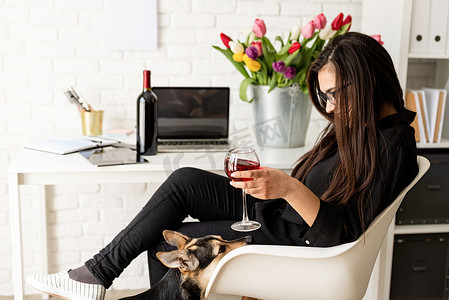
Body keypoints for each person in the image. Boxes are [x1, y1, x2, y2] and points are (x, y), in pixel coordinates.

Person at [26, 32, 419, 300]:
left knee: (167, 242)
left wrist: (288, 188)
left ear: (366, 81)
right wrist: (279, 189)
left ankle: (95, 275)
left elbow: (341, 234)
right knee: (184, 181)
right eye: (324, 96)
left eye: (334, 95)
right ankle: (97, 273)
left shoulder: (392, 142)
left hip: (295, 242)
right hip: (277, 216)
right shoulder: (363, 128)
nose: (329, 108)